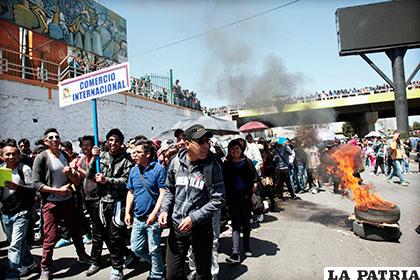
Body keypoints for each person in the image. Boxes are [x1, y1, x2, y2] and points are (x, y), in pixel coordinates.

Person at [158, 124, 225, 280]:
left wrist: (193, 218)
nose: (205, 146)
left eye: (207, 141)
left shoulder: (212, 166)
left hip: (201, 228)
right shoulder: (175, 163)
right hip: (177, 227)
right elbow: (169, 189)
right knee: (173, 275)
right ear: (187, 144)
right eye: (200, 142)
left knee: (203, 275)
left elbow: (218, 199)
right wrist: (164, 210)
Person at [32, 128, 91, 280]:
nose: (55, 139)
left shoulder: (64, 155)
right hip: (50, 203)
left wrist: (71, 174)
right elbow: (36, 184)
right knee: (50, 236)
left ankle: (82, 255)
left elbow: (76, 181)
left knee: (76, 231)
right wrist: (56, 191)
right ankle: (46, 267)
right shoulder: (41, 158)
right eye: (51, 137)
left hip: (68, 201)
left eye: (57, 137)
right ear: (46, 142)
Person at [85, 128, 134, 280]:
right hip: (101, 202)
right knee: (98, 234)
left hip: (117, 203)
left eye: (117, 141)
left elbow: (127, 182)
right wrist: (93, 158)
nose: (113, 143)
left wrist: (108, 180)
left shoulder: (127, 160)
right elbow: (89, 174)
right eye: (111, 140)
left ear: (121, 143)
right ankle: (95, 262)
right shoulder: (101, 156)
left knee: (115, 237)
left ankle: (117, 268)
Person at [125, 140, 166, 280]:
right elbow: (130, 192)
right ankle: (159, 266)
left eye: (138, 152)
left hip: (153, 218)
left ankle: (157, 274)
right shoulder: (133, 170)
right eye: (133, 152)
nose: (134, 155)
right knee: (136, 248)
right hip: (138, 217)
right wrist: (127, 212)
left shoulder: (159, 169)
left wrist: (155, 213)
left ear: (148, 154)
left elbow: (163, 192)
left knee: (154, 249)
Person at [1, 142, 36, 279]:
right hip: (6, 212)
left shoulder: (24, 169)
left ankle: (13, 274)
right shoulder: (1, 170)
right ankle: (30, 262)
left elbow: (33, 188)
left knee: (14, 245)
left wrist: (18, 187)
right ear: (2, 156)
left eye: (14, 154)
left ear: (19, 155)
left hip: (21, 212)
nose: (11, 156)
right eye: (7, 154)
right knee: (17, 242)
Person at [223, 139, 258, 263]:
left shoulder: (247, 162)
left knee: (246, 224)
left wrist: (254, 185)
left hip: (246, 198)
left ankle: (247, 247)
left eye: (237, 148)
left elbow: (255, 177)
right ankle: (235, 252)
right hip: (232, 199)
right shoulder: (226, 164)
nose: (235, 150)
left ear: (241, 149)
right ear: (229, 150)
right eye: (232, 148)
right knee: (236, 224)